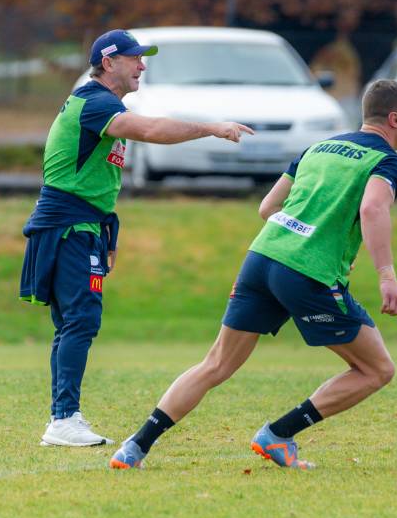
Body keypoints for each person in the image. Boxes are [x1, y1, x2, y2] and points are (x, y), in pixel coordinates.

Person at [109, 79, 397, 470]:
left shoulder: (318, 148)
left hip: (262, 255)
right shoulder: (388, 162)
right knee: (377, 369)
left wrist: (305, 237)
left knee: (216, 364)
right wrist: (387, 277)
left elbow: (268, 207)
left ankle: (134, 447)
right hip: (305, 272)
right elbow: (373, 210)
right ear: (394, 119)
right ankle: (278, 434)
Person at [20, 29, 254, 447]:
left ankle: (63, 415)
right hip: (69, 226)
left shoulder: (99, 103)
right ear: (109, 63)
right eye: (134, 58)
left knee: (73, 321)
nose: (143, 65)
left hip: (82, 225)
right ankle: (63, 420)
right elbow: (152, 129)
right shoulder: (96, 104)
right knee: (80, 319)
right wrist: (211, 128)